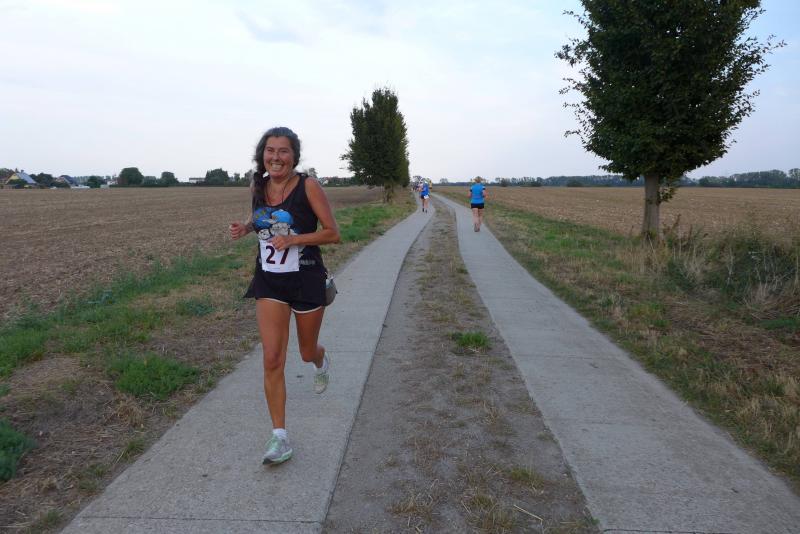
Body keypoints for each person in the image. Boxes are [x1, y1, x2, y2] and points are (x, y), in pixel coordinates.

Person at [229, 127, 340, 466]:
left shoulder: (308, 186)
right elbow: (262, 219)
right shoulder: (258, 186)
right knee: (273, 358)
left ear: (294, 157)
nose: (275, 157)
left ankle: (321, 360)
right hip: (270, 282)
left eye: (283, 151)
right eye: (270, 150)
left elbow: (332, 233)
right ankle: (279, 437)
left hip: (306, 279)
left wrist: (293, 240)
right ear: (262, 154)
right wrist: (247, 227)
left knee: (306, 352)